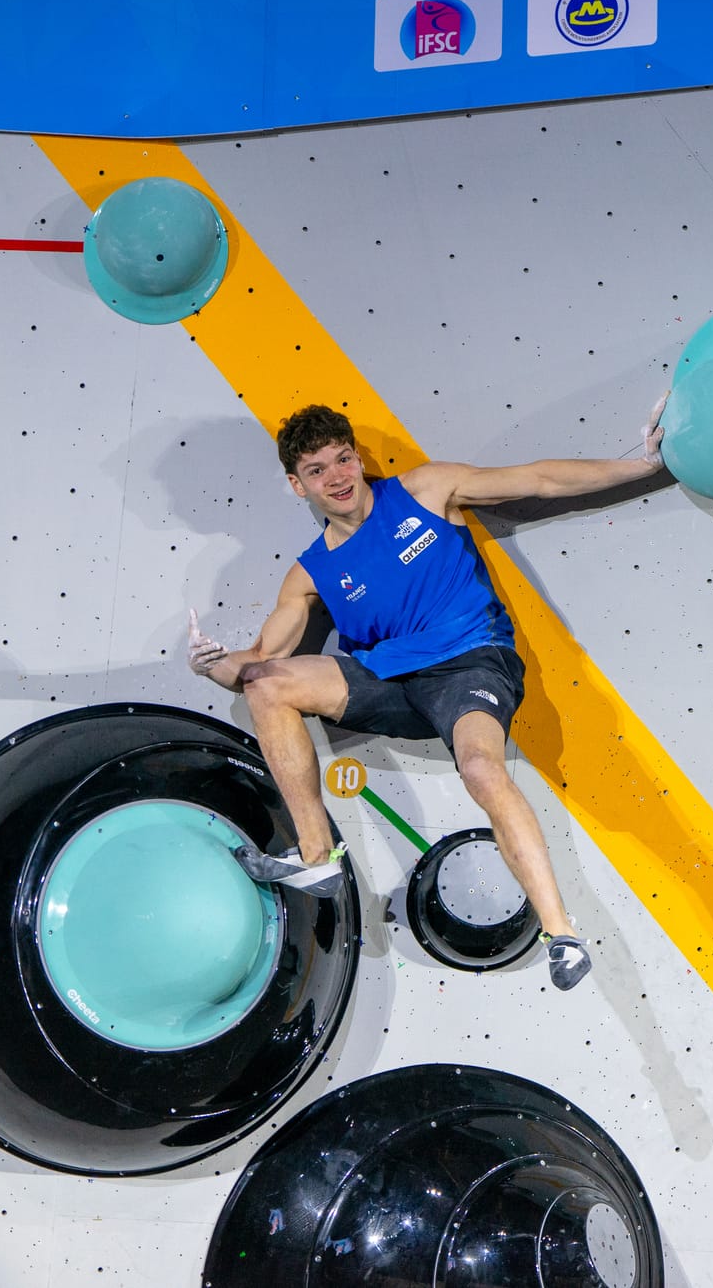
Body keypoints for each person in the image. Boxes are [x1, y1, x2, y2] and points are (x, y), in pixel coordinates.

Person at [188, 402, 665, 991]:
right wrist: (211, 663)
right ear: (297, 484)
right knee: (267, 683)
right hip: (390, 680)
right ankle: (316, 857)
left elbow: (540, 479)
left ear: (357, 457)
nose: (337, 477)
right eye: (317, 470)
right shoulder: (312, 572)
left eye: (343, 459)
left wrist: (641, 466)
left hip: (471, 660)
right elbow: (256, 660)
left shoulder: (424, 490)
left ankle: (560, 934)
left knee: (483, 769)